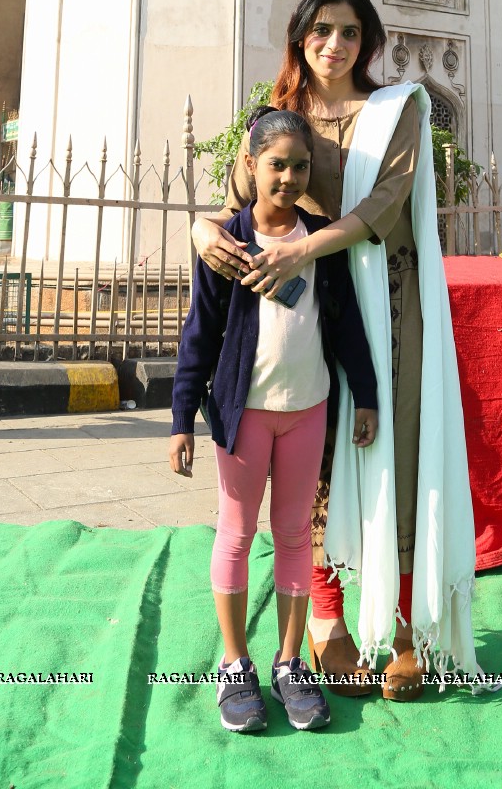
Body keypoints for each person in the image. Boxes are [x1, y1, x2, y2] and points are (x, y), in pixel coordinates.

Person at [192, 0, 481, 702]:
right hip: (305, 311)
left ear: (369, 42)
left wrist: (306, 249)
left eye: (350, 32)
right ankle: (328, 623)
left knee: (396, 455)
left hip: (388, 300)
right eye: (320, 30)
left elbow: (385, 205)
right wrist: (197, 228)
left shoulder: (397, 112)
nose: (334, 45)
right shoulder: (275, 121)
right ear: (299, 37)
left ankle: (406, 630)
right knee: (314, 466)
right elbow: (233, 209)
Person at [171, 106, 378, 734]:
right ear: (250, 166)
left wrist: (364, 394)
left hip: (308, 412)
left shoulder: (320, 242)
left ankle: (291, 663)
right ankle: (236, 664)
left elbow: (344, 327)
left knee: (293, 537)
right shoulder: (225, 245)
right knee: (236, 534)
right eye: (276, 165)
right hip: (243, 418)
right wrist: (182, 416)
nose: (287, 177)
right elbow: (199, 335)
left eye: (299, 166)